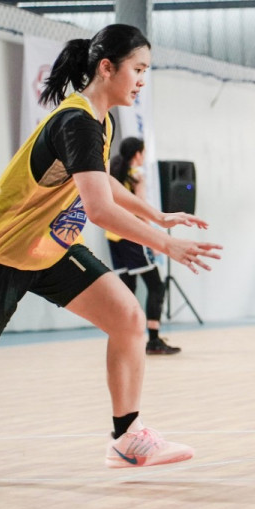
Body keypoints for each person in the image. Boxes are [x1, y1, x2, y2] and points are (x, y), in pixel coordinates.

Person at [0, 24, 222, 484]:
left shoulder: (102, 121)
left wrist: (156, 216)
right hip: (2, 249)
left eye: (146, 71)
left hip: (52, 247)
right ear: (107, 68)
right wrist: (166, 244)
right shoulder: (76, 121)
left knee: (128, 318)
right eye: (138, 69)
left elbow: (102, 182)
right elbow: (99, 209)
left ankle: (126, 438)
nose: (143, 80)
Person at [106, 136, 179, 355]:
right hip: (131, 237)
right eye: (143, 152)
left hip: (113, 236)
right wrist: (153, 240)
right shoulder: (136, 176)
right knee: (156, 286)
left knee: (128, 289)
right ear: (137, 154)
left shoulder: (113, 174)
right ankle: (153, 340)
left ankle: (124, 339)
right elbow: (141, 210)